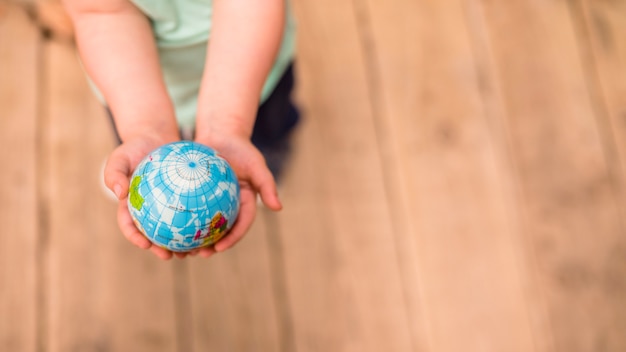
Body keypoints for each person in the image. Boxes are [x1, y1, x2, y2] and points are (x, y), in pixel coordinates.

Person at [62, 0, 299, 260]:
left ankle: (270, 157)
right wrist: (146, 126)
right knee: (134, 142)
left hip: (248, 80)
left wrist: (228, 124)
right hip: (133, 90)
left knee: (265, 132)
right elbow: (100, 12)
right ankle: (147, 140)